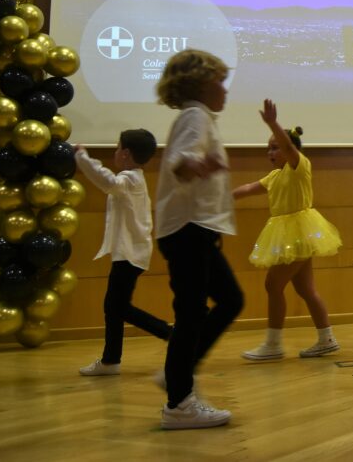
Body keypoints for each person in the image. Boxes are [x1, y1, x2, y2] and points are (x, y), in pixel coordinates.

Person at [154, 49, 244, 429]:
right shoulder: (194, 116)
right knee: (192, 313)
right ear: (198, 85)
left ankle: (180, 374)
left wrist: (198, 165)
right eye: (218, 82)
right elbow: (180, 160)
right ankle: (178, 403)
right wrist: (197, 165)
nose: (224, 90)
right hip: (189, 230)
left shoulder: (198, 115)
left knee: (229, 300)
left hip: (195, 229)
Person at [233, 99, 342, 361]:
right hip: (292, 235)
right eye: (268, 148)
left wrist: (272, 122)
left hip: (299, 231)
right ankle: (326, 338)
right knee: (305, 289)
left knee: (273, 284)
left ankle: (273, 344)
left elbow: (287, 146)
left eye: (275, 148)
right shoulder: (274, 176)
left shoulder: (299, 166)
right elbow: (246, 189)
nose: (271, 152)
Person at [75, 130, 172, 377]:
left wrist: (84, 158)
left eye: (117, 148)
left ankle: (169, 334)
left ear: (126, 153)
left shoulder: (129, 179)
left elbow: (107, 181)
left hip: (130, 255)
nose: (115, 152)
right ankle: (111, 360)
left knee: (117, 307)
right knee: (114, 306)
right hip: (128, 254)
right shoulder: (132, 179)